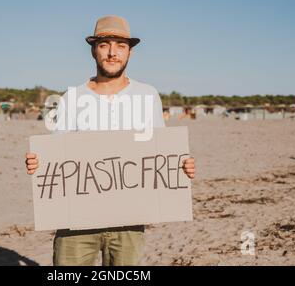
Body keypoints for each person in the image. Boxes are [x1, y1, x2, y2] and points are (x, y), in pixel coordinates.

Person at [25, 15, 195, 266]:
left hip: (129, 220)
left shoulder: (147, 95)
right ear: (94, 50)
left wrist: (182, 167)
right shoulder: (72, 98)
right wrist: (38, 163)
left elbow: (160, 155)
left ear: (130, 53)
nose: (112, 53)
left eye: (120, 46)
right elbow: (56, 159)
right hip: (77, 221)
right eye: (105, 45)